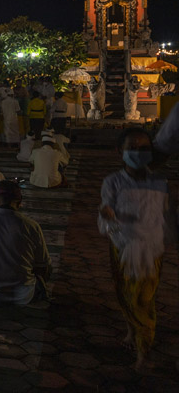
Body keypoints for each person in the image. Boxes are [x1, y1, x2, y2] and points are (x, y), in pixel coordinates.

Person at [98, 128, 166, 370]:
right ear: (120, 151)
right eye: (132, 148)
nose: (138, 154)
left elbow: (164, 215)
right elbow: (106, 208)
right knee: (124, 292)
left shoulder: (159, 182)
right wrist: (107, 214)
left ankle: (143, 349)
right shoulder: (112, 181)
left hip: (151, 249)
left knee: (142, 299)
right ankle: (131, 331)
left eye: (144, 149)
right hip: (122, 246)